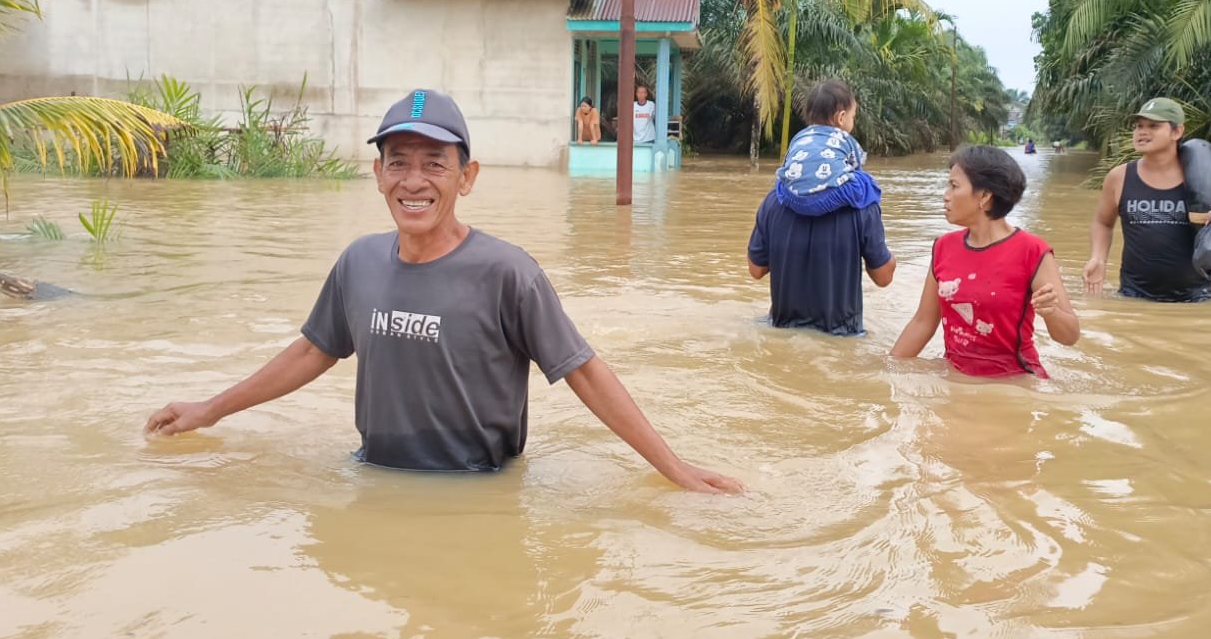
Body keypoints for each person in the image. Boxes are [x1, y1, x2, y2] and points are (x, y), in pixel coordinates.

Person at [145, 89, 742, 494]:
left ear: (467, 176)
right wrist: (209, 410)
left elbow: (583, 370)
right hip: (373, 481)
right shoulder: (358, 263)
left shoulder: (508, 273)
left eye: (435, 163)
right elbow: (311, 351)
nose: (414, 181)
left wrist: (675, 470)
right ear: (376, 173)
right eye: (398, 162)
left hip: (478, 492)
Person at [890, 145, 1079, 377]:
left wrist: (1052, 313)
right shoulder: (943, 247)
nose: (945, 195)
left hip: (1014, 386)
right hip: (956, 379)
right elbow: (923, 322)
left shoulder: (1032, 251)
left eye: (954, 186)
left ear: (984, 196)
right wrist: (887, 371)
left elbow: (1070, 335)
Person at [747, 93, 896, 336]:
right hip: (840, 343)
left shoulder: (774, 201)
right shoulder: (862, 201)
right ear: (841, 118)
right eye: (853, 117)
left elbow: (756, 270)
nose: (853, 123)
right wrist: (891, 259)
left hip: (781, 336)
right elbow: (882, 277)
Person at [1083, 97, 1211, 303]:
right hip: (1133, 296)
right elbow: (1103, 223)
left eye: (1153, 126)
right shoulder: (1119, 177)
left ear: (1177, 132)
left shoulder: (1208, 179)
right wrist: (1098, 259)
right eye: (1139, 126)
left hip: (1195, 299)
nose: (1142, 131)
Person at [773, 80, 882, 216]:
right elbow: (857, 166)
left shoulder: (799, 137)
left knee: (780, 179)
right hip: (829, 198)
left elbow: (787, 163)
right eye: (853, 116)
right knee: (866, 181)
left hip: (793, 200)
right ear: (841, 117)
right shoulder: (845, 139)